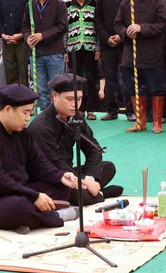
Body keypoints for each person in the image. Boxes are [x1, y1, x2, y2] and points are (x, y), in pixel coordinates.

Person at [0, 84, 79, 234]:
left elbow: (39, 162)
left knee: (61, 187)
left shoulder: (22, 132)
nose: (28, 118)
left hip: (20, 191)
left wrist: (60, 175)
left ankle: (27, 220)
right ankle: (55, 216)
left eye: (30, 112)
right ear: (8, 110)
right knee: (19, 207)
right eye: (25, 112)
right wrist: (34, 196)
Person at [28, 73, 122, 206]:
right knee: (80, 195)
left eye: (78, 99)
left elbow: (93, 148)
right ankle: (101, 194)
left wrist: (90, 177)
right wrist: (85, 181)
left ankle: (92, 191)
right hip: (49, 178)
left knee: (108, 167)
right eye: (69, 99)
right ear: (54, 96)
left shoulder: (76, 117)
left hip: (71, 173)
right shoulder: (41, 126)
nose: (74, 104)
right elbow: (54, 164)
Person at [114, 0, 166, 134]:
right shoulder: (126, 3)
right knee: (133, 88)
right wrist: (125, 32)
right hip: (130, 54)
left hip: (152, 54)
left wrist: (141, 28)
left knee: (156, 88)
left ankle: (157, 123)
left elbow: (163, 25)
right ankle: (140, 122)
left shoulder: (159, 2)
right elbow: (117, 24)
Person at [23, 0, 68, 112]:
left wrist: (42, 35)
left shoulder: (59, 4)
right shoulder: (30, 5)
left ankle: (59, 116)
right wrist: (27, 37)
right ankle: (46, 116)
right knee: (40, 89)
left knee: (56, 87)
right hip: (36, 53)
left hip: (54, 52)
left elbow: (63, 26)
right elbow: (24, 26)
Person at [94, 0, 131, 120]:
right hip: (107, 44)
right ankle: (111, 110)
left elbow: (133, 20)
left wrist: (121, 36)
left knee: (128, 76)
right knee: (110, 77)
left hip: (126, 42)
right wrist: (106, 37)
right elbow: (97, 20)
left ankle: (130, 110)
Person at [65, 0, 101, 121]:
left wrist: (98, 47)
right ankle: (78, 109)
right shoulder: (66, 5)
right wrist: (64, 50)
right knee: (75, 78)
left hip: (90, 47)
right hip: (73, 48)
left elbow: (99, 27)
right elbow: (64, 30)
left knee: (91, 79)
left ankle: (91, 108)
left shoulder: (94, 5)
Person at [0, 0, 30, 86]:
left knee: (23, 72)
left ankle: (26, 101)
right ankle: (12, 100)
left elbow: (31, 19)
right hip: (7, 40)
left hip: (22, 41)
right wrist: (2, 35)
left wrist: (21, 35)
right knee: (9, 71)